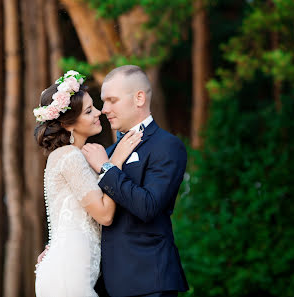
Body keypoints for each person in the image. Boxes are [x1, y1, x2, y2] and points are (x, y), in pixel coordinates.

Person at [82, 65, 189, 297]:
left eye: (112, 100)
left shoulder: (167, 145)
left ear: (139, 98)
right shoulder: (108, 152)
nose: (104, 109)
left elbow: (148, 206)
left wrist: (107, 168)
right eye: (103, 101)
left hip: (149, 280)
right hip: (105, 284)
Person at [33, 70, 142, 297]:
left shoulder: (72, 156)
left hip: (69, 265)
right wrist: (114, 163)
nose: (100, 112)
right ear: (68, 124)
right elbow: (104, 215)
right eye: (90, 110)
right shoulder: (70, 156)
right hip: (69, 271)